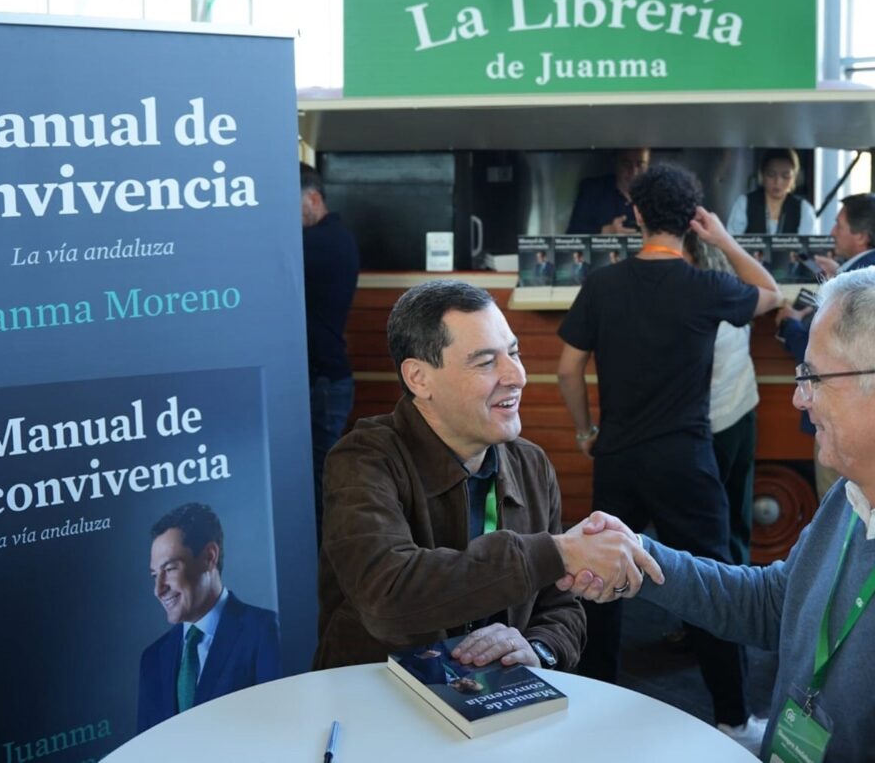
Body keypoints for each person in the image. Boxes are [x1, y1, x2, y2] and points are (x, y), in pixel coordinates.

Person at [569, 262, 875, 762]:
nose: (799, 398)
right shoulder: (857, 490)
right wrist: (639, 559)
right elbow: (782, 605)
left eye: (813, 377)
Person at [314, 280, 662, 672]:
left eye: (514, 353)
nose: (516, 376)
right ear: (418, 378)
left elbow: (560, 607)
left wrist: (539, 649)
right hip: (377, 703)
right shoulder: (362, 459)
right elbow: (388, 596)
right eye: (485, 362)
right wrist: (558, 552)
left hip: (494, 702)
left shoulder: (531, 464)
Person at [556, 164, 781, 745]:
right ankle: (732, 719)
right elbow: (771, 294)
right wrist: (723, 240)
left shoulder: (604, 284)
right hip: (685, 460)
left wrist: (585, 432)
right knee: (713, 586)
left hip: (620, 455)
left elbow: (567, 367)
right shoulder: (706, 287)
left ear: (635, 216)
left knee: (602, 584)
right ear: (691, 221)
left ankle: (590, 712)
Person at [776, 192, 875, 499]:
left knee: (838, 509)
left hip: (843, 421)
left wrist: (789, 325)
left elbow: (825, 357)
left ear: (861, 235)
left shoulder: (854, 286)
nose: (831, 232)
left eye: (839, 225)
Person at [138, 503, 281, 732]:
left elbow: (280, 733)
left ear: (209, 557)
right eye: (155, 574)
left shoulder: (265, 632)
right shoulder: (152, 660)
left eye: (170, 569)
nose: (158, 589)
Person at [685, 234, 759, 566]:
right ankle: (741, 585)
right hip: (742, 411)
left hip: (710, 423)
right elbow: (766, 286)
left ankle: (718, 601)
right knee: (736, 514)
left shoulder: (695, 301)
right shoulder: (734, 293)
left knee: (708, 522)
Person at [301, 162, 360, 545]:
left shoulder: (322, 242)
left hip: (324, 382)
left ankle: (329, 581)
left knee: (319, 491)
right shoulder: (331, 238)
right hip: (325, 380)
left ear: (314, 199)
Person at [726, 148, 819, 236]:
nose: (778, 182)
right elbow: (730, 241)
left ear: (794, 178)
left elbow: (809, 247)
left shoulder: (804, 209)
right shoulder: (744, 203)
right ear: (762, 174)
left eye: (785, 176)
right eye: (771, 174)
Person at [566, 147, 650, 234]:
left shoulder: (656, 194)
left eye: (640, 165)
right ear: (615, 162)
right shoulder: (593, 190)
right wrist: (605, 231)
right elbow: (572, 234)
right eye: (626, 164)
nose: (634, 172)